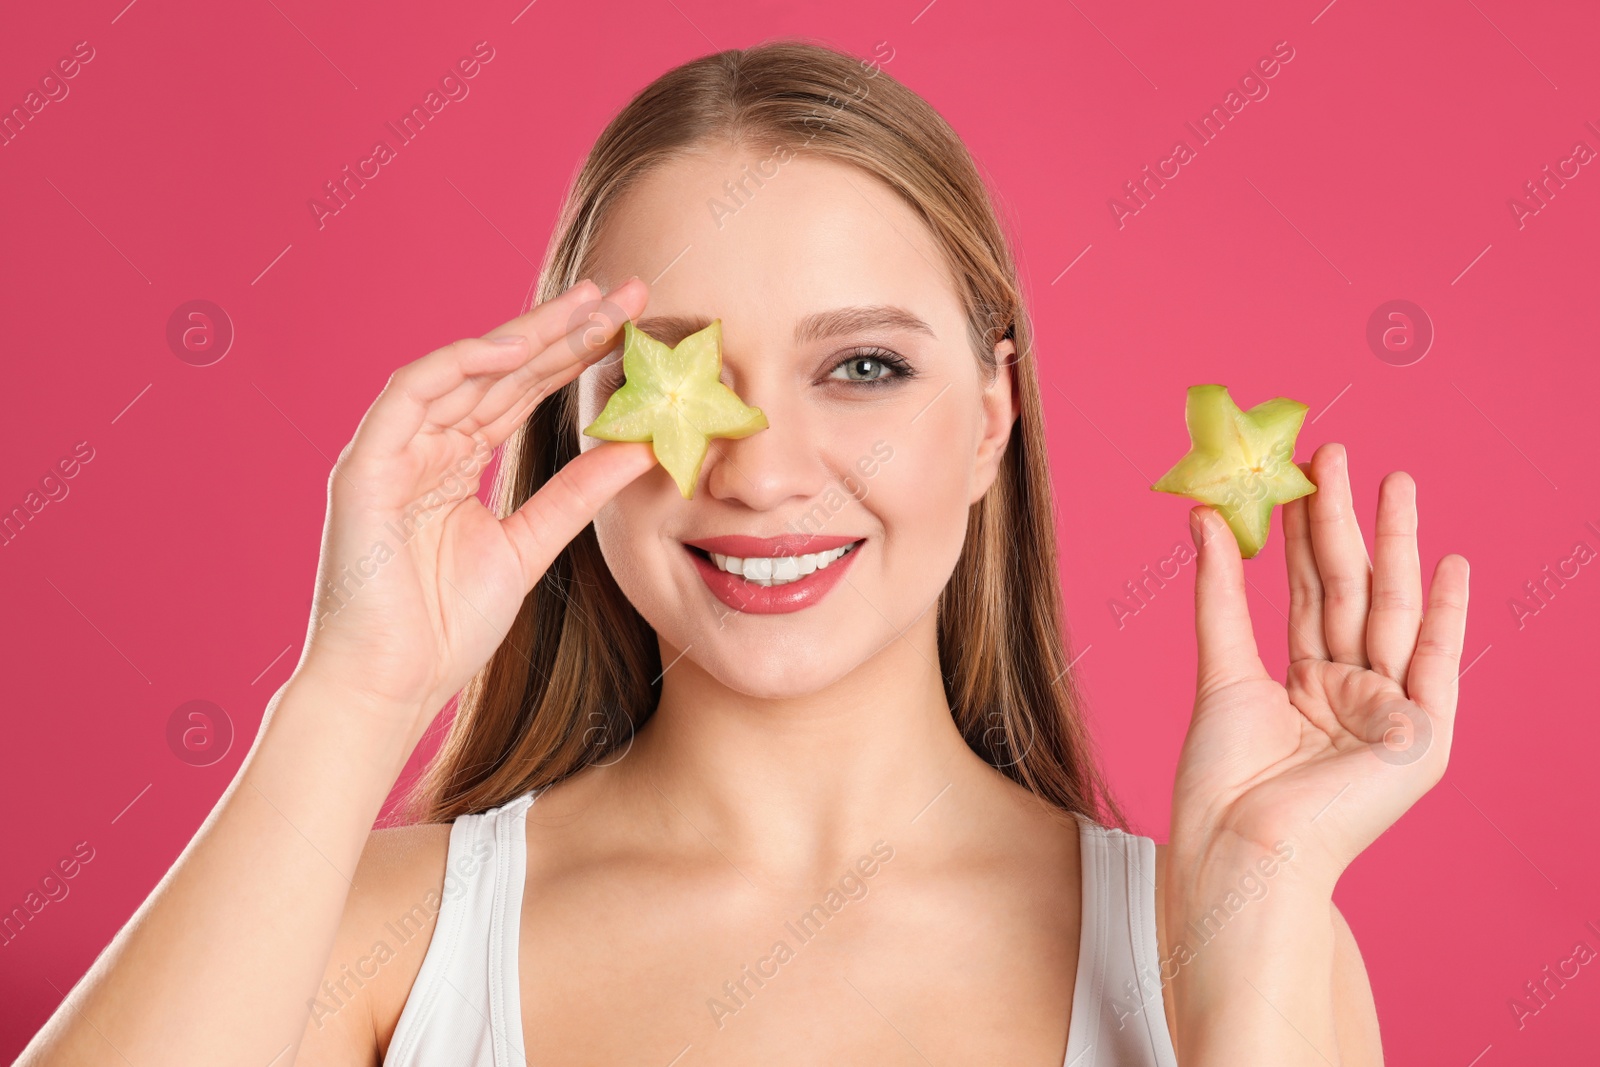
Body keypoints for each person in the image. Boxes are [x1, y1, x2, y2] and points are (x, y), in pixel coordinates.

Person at [16, 39, 1468, 1066]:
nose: (764, 471)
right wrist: (354, 693)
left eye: (863, 370)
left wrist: (1262, 896)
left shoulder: (1228, 944)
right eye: (680, 370)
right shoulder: (388, 937)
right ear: (571, 425)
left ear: (990, 419)